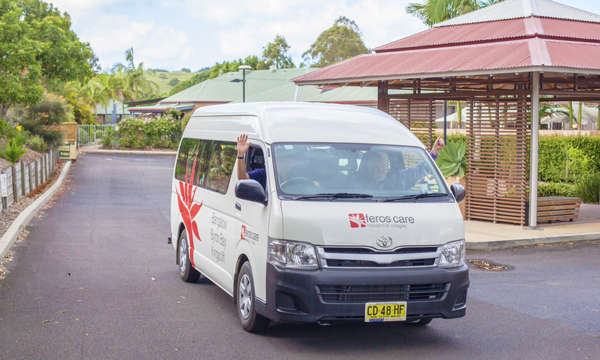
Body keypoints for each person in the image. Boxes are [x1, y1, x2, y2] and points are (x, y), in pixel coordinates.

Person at [356, 136, 445, 190]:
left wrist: (434, 152)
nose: (381, 170)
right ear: (368, 169)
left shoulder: (398, 178)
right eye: (376, 166)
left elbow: (420, 170)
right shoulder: (357, 184)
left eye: (383, 165)